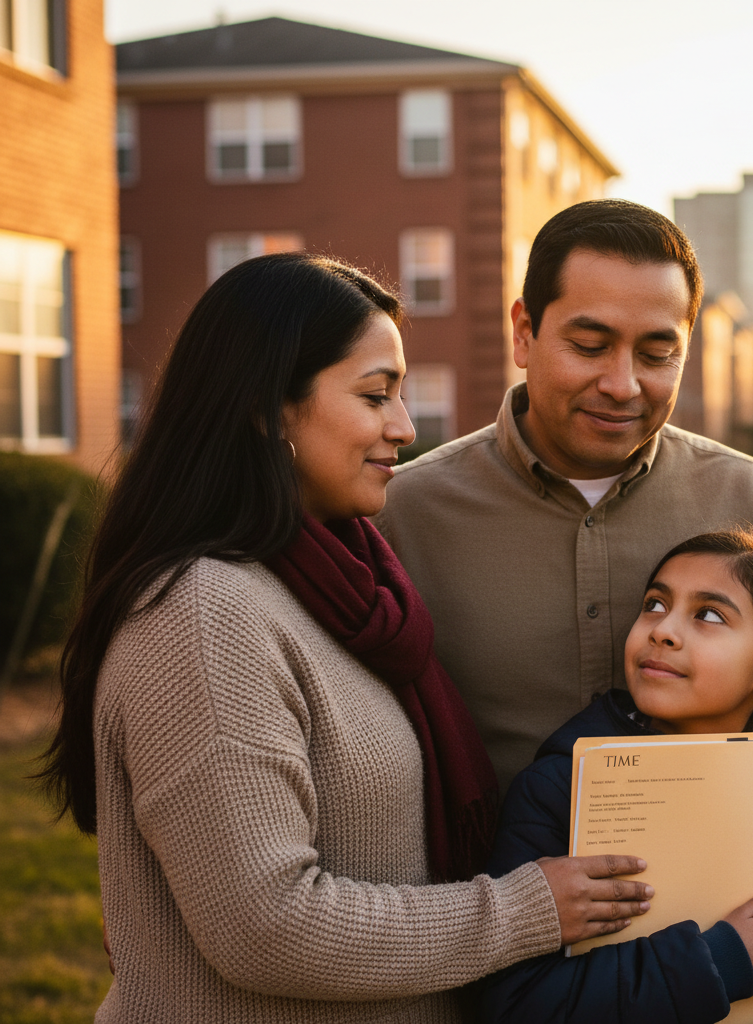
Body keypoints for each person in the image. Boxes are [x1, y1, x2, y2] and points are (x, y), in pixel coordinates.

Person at [37, 253, 655, 1024]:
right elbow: (266, 929)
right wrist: (525, 911)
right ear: (268, 408)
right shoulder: (204, 615)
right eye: (374, 395)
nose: (405, 427)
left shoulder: (344, 586)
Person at [373, 199, 753, 997]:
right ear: (524, 332)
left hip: (749, 979)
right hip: (510, 985)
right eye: (589, 344)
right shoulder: (402, 516)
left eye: (657, 353)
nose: (622, 383)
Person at [478, 529, 753, 1023]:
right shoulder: (558, 791)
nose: (663, 630)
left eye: (708, 614)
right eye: (655, 604)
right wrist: (725, 961)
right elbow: (515, 1003)